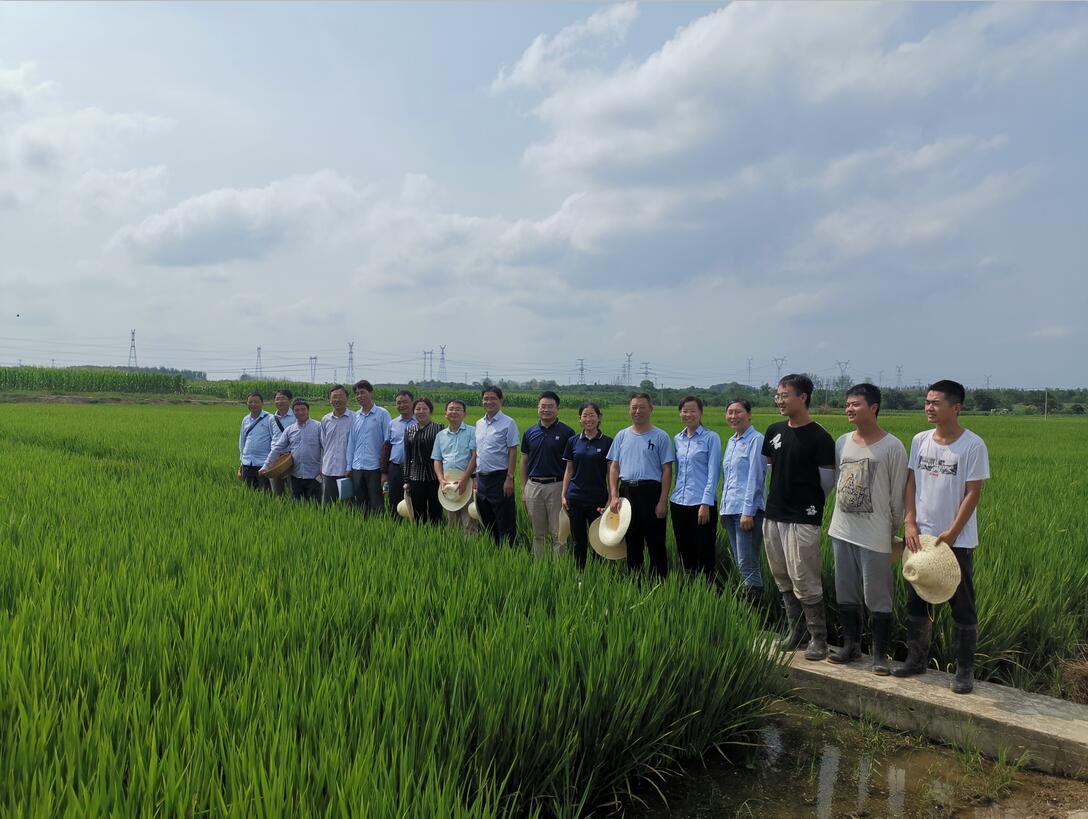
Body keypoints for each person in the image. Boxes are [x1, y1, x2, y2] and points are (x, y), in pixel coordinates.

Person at [893, 379, 990, 694]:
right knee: (916, 597)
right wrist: (910, 521)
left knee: (961, 604)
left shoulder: (972, 445)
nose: (929, 407)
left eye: (936, 402)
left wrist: (951, 533)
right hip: (920, 537)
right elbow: (911, 483)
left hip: (955, 541)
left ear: (956, 407)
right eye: (927, 401)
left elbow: (972, 494)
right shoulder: (920, 440)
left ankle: (964, 672)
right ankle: (916, 660)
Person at [826, 384, 907, 675]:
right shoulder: (842, 441)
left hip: (875, 534)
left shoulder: (892, 446)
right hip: (842, 530)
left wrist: (892, 530)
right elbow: (837, 480)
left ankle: (880, 655)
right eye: (847, 404)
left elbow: (897, 494)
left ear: (873, 408)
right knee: (845, 591)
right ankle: (850, 646)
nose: (849, 409)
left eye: (856, 404)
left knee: (877, 595)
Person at [763, 374, 837, 660]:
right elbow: (770, 466)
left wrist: (807, 505)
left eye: (785, 395)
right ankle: (796, 632)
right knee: (782, 576)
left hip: (803, 518)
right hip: (774, 513)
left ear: (802, 397)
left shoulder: (820, 437)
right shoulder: (774, 430)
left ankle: (819, 637)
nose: (779, 401)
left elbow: (827, 483)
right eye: (778, 395)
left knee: (804, 577)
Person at [607, 392, 675, 577]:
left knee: (655, 541)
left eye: (642, 407)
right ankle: (634, 580)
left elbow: (667, 470)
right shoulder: (621, 436)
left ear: (651, 410)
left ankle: (659, 582)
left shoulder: (661, 436)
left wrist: (662, 500)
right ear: (629, 410)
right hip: (627, 492)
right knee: (632, 539)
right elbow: (614, 467)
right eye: (634, 407)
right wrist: (614, 495)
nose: (637, 411)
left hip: (651, 492)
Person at [720, 398, 767, 607]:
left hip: (747, 512)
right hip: (731, 510)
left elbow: (756, 478)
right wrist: (723, 510)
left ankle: (755, 614)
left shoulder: (756, 439)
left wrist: (748, 512)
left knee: (748, 564)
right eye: (730, 412)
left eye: (738, 412)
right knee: (742, 564)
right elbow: (729, 478)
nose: (733, 416)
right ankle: (749, 611)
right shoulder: (732, 441)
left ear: (749, 415)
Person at [670, 396, 722, 582]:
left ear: (701, 413)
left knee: (705, 551)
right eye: (684, 410)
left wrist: (706, 502)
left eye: (693, 410)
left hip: (701, 504)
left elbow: (713, 472)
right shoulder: (677, 439)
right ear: (680, 413)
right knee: (684, 550)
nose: (688, 414)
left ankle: (709, 590)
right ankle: (689, 588)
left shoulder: (711, 438)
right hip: (678, 503)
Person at [521, 391, 575, 557]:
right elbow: (524, 462)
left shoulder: (567, 433)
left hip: (557, 486)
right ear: (538, 408)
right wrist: (524, 489)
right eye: (543, 406)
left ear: (557, 409)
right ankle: (541, 567)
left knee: (559, 533)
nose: (546, 410)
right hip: (534, 486)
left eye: (550, 406)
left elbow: (571, 466)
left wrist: (567, 492)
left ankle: (558, 570)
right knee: (538, 533)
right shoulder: (530, 433)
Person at [562, 402, 613, 572]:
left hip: (597, 498)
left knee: (599, 539)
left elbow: (610, 474)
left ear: (599, 418)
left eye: (592, 415)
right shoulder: (573, 441)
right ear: (580, 419)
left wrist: (610, 498)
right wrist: (564, 495)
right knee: (579, 540)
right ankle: (580, 574)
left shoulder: (607, 442)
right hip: (575, 497)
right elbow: (569, 470)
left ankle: (599, 573)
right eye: (585, 415)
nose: (588, 419)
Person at [475, 387, 520, 546]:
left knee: (505, 521)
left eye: (493, 398)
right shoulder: (479, 423)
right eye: (486, 398)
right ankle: (494, 552)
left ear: (501, 401)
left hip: (500, 478)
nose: (489, 402)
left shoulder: (508, 423)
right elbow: (478, 452)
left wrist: (510, 478)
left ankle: (508, 553)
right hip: (482, 478)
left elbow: (512, 451)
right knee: (487, 520)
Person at [261, 399, 322, 501]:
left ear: (308, 410)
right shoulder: (290, 429)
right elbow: (277, 448)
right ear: (293, 412)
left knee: (315, 507)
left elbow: (326, 448)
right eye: (297, 410)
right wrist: (266, 466)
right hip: (295, 475)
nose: (300, 412)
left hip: (314, 475)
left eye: (303, 409)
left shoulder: (318, 427)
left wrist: (323, 468)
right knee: (296, 505)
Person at [345, 379, 392, 515]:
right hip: (357, 466)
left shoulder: (382, 414)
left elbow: (387, 442)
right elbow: (351, 442)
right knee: (360, 503)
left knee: (376, 503)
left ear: (371, 393)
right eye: (357, 393)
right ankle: (363, 529)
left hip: (375, 467)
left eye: (363, 392)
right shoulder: (355, 417)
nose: (360, 396)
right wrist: (349, 467)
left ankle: (377, 528)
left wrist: (384, 470)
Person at [432, 399, 477, 533]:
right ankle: (455, 550)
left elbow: (475, 456)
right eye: (451, 409)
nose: (454, 412)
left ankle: (471, 551)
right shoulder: (440, 435)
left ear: (464, 414)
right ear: (445, 413)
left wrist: (464, 480)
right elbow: (437, 460)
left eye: (458, 409)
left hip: (467, 481)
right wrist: (441, 480)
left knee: (469, 521)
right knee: (452, 523)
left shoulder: (472, 432)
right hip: (448, 484)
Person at [403, 397, 444, 525]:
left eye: (424, 408)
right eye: (418, 409)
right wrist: (406, 480)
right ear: (414, 411)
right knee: (418, 512)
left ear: (430, 411)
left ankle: (437, 535)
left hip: (434, 477)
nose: (421, 411)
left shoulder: (438, 429)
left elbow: (443, 454)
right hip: (416, 476)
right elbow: (407, 456)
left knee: (436, 511)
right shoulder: (409, 430)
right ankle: (421, 536)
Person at [319, 384, 353, 505]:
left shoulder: (354, 418)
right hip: (328, 469)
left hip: (347, 471)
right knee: (327, 505)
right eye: (334, 397)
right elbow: (324, 443)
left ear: (347, 398)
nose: (337, 400)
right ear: (330, 400)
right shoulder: (325, 419)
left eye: (340, 396)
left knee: (348, 506)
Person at [386, 390, 416, 519]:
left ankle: (416, 524)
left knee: (414, 498)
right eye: (399, 403)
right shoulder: (392, 423)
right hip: (395, 467)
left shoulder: (419, 422)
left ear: (412, 403)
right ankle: (395, 526)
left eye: (405, 402)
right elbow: (387, 447)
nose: (402, 405)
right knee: (394, 499)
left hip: (414, 469)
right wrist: (384, 471)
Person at [238, 392, 273, 491]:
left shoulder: (270, 418)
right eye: (250, 402)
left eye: (256, 402)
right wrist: (241, 462)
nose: (253, 404)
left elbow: (274, 442)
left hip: (263, 464)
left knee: (265, 494)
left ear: (262, 403)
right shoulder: (245, 420)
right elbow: (242, 442)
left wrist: (271, 462)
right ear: (247, 404)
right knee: (249, 493)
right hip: (247, 463)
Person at [267, 389, 295, 496]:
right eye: (277, 399)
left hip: (291, 458)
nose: (280, 401)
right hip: (275, 458)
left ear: (290, 400)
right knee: (276, 491)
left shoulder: (296, 416)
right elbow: (271, 437)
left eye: (283, 398)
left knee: (293, 489)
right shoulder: (271, 419)